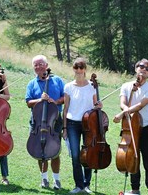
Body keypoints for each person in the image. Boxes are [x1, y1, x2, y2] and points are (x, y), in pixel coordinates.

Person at [113, 59, 148, 195]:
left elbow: (140, 106)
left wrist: (122, 114)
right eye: (141, 67)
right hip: (130, 127)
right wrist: (124, 109)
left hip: (146, 128)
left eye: (147, 68)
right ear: (136, 68)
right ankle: (135, 189)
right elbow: (123, 103)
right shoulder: (126, 86)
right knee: (132, 157)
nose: (144, 70)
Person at [25, 55, 64, 190]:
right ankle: (44, 179)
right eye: (35, 65)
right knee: (39, 150)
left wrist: (55, 101)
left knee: (55, 151)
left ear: (46, 65)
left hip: (54, 122)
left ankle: (57, 180)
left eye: (41, 64)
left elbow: (64, 97)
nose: (38, 67)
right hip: (37, 122)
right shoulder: (32, 83)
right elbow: (28, 102)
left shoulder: (57, 80)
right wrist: (40, 100)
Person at [62, 57, 101, 194]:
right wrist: (65, 128)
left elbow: (96, 105)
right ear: (73, 69)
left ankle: (87, 184)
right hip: (72, 124)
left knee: (88, 154)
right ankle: (78, 185)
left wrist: (99, 106)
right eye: (76, 68)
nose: (79, 70)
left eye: (81, 67)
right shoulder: (68, 86)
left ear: (85, 69)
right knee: (75, 155)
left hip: (89, 124)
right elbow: (65, 109)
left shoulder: (92, 86)